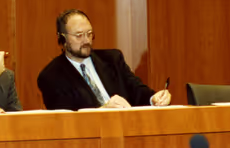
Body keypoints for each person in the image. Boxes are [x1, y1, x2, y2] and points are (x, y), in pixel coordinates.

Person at [37, 9, 171, 110]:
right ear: (63, 39)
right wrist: (103, 110)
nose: (86, 40)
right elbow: (66, 121)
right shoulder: (51, 76)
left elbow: (136, 89)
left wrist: (154, 98)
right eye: (79, 35)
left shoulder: (112, 59)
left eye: (89, 34)